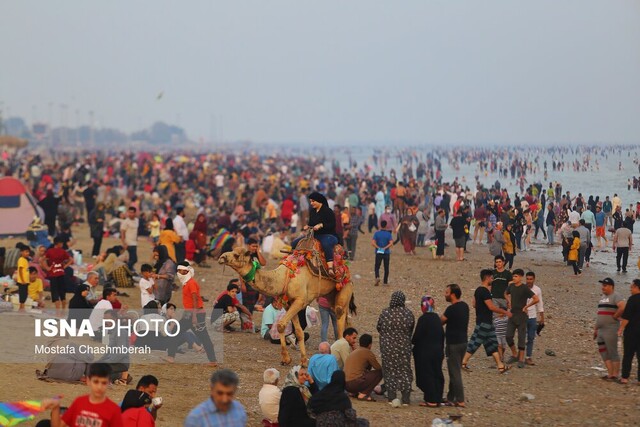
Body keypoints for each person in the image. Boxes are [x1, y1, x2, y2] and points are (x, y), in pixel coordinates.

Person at [165, 262, 217, 366]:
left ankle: (171, 356)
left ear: (186, 271)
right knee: (203, 336)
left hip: (194, 314)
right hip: (191, 313)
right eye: (178, 271)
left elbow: (195, 300)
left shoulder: (191, 283)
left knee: (177, 331)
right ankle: (213, 360)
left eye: (180, 271)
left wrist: (194, 317)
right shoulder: (187, 283)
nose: (179, 273)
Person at [462, 269, 512, 373]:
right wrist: (505, 312)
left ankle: (500, 366)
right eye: (492, 278)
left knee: (492, 345)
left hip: (486, 321)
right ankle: (463, 362)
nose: (492, 280)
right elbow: (491, 307)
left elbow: (474, 304)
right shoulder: (484, 291)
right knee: (475, 342)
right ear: (487, 278)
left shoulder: (478, 290)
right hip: (484, 322)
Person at [46, 363, 124, 427]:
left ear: (108, 383)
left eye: (103, 383)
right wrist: (56, 408)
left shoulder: (114, 410)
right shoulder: (79, 402)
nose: (99, 387)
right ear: (88, 381)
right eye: (96, 382)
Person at [376, 291, 414, 405]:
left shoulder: (385, 313)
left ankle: (391, 397)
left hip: (387, 348)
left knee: (389, 370)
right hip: (404, 348)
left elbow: (379, 327)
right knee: (404, 371)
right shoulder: (408, 314)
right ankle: (406, 399)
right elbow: (411, 329)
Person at [292, 192, 339, 276]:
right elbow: (311, 223)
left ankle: (330, 268)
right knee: (295, 242)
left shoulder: (328, 211)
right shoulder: (312, 211)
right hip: (315, 235)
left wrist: (321, 225)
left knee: (326, 244)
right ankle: (292, 261)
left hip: (328, 235)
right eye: (310, 201)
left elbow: (332, 225)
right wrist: (307, 226)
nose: (311, 203)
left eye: (313, 201)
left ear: (319, 201)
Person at [412, 295, 444, 408]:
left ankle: (431, 400)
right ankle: (437, 398)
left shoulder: (423, 319)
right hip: (438, 352)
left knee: (427, 375)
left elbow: (416, 337)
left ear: (423, 306)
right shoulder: (436, 319)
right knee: (436, 374)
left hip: (425, 353)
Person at [440, 284, 469, 407]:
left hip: (453, 344)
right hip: (463, 342)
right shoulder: (465, 306)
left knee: (455, 372)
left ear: (452, 294)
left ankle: (460, 399)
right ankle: (451, 397)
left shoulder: (451, 309)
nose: (445, 294)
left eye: (447, 292)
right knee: (454, 370)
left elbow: (441, 321)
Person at [504, 269, 539, 368]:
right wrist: (509, 301)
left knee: (521, 337)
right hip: (512, 314)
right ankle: (515, 354)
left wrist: (526, 307)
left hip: (522, 316)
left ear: (520, 277)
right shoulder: (511, 286)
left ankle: (521, 359)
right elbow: (505, 293)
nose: (514, 278)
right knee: (508, 336)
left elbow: (536, 299)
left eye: (516, 276)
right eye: (513, 276)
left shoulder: (524, 288)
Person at [594, 278, 626, 381]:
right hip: (600, 330)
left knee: (612, 351)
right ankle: (610, 373)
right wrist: (595, 329)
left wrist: (615, 316)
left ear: (611, 286)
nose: (603, 287)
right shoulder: (602, 298)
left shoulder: (616, 296)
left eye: (605, 285)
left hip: (610, 328)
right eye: (602, 285)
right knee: (603, 351)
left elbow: (622, 307)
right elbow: (599, 313)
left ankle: (615, 374)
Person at [344, 334, 383, 402]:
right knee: (380, 372)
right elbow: (378, 367)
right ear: (370, 344)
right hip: (354, 383)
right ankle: (363, 394)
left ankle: (354, 392)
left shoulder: (355, 351)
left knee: (365, 369)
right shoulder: (367, 352)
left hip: (346, 385)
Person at [41, 236, 73, 314]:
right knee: (62, 292)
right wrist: (64, 266)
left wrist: (47, 268)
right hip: (61, 273)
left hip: (53, 274)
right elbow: (71, 260)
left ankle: (58, 311)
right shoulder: (63, 251)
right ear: (59, 244)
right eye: (61, 243)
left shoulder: (49, 251)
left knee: (55, 293)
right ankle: (63, 309)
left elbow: (42, 260)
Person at [618, 279, 640, 384]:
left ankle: (625, 378)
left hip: (631, 332)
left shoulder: (632, 299)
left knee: (628, 355)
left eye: (632, 287)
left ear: (636, 287)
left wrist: (621, 328)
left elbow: (627, 317)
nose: (630, 289)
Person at [525, 271, 545, 366]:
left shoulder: (537, 290)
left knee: (531, 337)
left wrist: (542, 317)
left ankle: (528, 357)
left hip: (532, 316)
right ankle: (520, 356)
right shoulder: (521, 288)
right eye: (527, 279)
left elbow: (540, 304)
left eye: (530, 279)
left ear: (534, 279)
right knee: (522, 337)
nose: (529, 281)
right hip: (522, 316)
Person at [372, 220, 393, 286]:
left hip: (379, 251)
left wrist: (378, 247)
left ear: (380, 225)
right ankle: (385, 282)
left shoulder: (377, 233)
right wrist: (385, 248)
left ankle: (377, 277)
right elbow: (391, 243)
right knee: (386, 267)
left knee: (377, 266)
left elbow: (373, 242)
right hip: (386, 252)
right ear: (386, 225)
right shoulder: (388, 234)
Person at [121, 206, 139, 271]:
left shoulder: (137, 220)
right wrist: (124, 243)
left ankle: (130, 271)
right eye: (129, 212)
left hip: (134, 242)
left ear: (135, 213)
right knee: (134, 259)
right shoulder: (126, 221)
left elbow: (136, 230)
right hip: (128, 242)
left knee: (131, 259)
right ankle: (124, 269)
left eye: (132, 213)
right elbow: (123, 232)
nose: (131, 214)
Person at [16, 244, 31, 310]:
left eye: (28, 252)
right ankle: (21, 307)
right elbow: (20, 270)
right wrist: (22, 280)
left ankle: (22, 306)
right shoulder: (21, 259)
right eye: (26, 252)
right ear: (21, 252)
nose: (27, 253)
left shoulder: (25, 260)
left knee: (25, 294)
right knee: (22, 294)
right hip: (22, 281)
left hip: (26, 281)